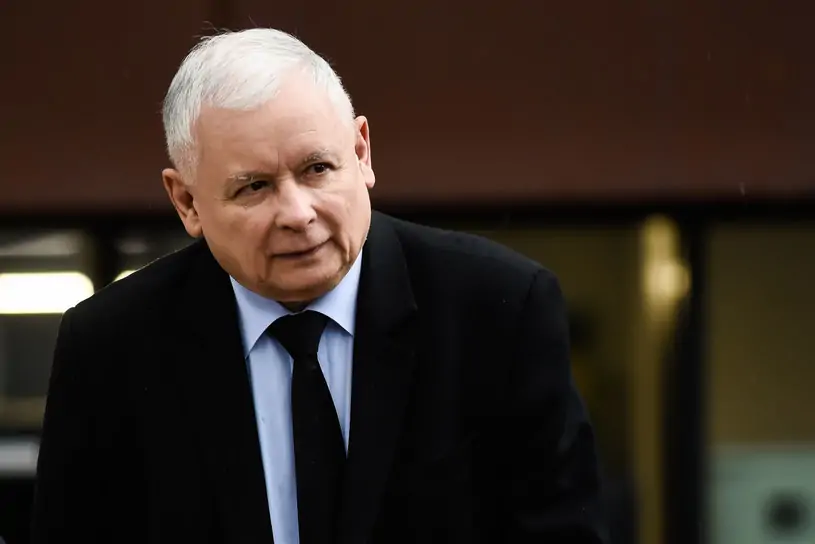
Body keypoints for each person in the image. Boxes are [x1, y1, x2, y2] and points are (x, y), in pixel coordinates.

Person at [31, 28, 607, 544]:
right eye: (254, 187)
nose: (297, 213)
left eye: (317, 169)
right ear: (187, 202)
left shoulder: (498, 310)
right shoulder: (111, 345)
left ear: (361, 152)